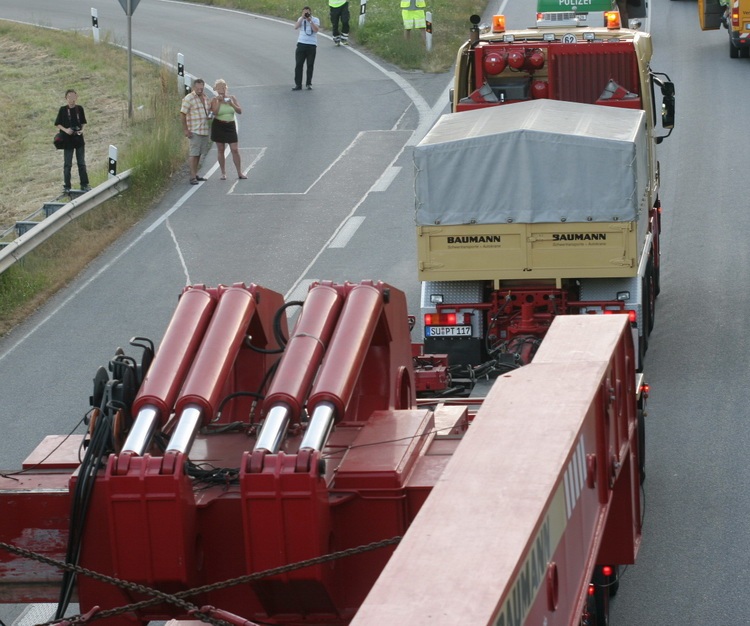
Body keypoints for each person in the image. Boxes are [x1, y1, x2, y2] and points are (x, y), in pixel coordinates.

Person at [210, 79, 247, 180]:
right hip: (218, 125)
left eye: (223, 87)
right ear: (216, 90)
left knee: (234, 149)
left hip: (230, 125)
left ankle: (239, 172)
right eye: (218, 88)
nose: (221, 90)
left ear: (226, 88)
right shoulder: (214, 100)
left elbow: (239, 111)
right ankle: (223, 172)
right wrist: (218, 101)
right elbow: (215, 113)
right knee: (221, 149)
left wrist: (231, 104)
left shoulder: (232, 98)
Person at [54, 89, 90, 194]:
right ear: (66, 98)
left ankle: (84, 184)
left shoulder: (80, 109)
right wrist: (66, 130)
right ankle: (67, 186)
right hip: (67, 140)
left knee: (81, 163)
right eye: (70, 97)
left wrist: (81, 130)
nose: (72, 99)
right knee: (67, 164)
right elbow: (57, 123)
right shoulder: (63, 110)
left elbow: (83, 123)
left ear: (76, 97)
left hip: (79, 139)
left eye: (74, 97)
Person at [180, 78, 211, 185]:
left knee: (199, 153)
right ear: (194, 88)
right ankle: (192, 176)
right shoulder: (189, 98)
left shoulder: (206, 98)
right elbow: (182, 114)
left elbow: (208, 111)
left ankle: (196, 174)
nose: (200, 90)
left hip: (204, 130)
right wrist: (185, 129)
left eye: (201, 88)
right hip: (194, 130)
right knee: (193, 153)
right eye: (198, 88)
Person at [294, 6, 320, 91]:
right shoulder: (300, 19)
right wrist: (302, 18)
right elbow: (296, 27)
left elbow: (316, 30)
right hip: (301, 44)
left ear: (310, 12)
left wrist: (310, 21)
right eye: (304, 12)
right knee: (298, 64)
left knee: (310, 65)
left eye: (307, 12)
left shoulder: (315, 19)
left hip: (311, 45)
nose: (306, 14)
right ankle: (298, 84)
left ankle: (309, 83)